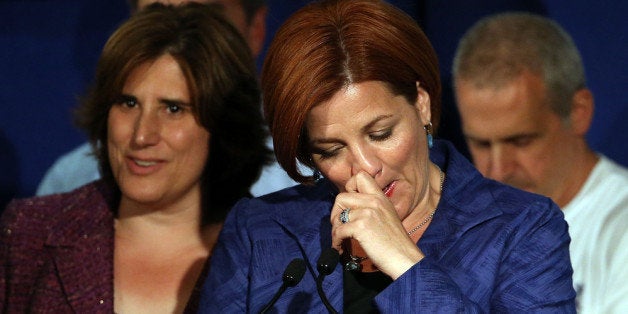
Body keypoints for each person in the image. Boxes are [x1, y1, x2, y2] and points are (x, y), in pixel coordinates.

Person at [199, 0, 576, 312]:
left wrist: (403, 261)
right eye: (330, 150)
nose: (364, 166)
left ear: (422, 106)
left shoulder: (523, 227)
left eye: (380, 133)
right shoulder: (257, 230)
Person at [0, 3, 271, 313]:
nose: (142, 135)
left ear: (224, 125)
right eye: (128, 103)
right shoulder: (30, 232)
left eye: (173, 109)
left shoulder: (274, 256)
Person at [452, 12, 628, 313]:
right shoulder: (459, 226)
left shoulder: (619, 230)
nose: (497, 170)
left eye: (520, 142)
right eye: (481, 144)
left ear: (578, 112)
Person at [35, 0, 299, 198]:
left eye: (173, 108)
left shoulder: (311, 175)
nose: (177, 34)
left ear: (256, 30)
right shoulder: (68, 185)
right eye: (154, 15)